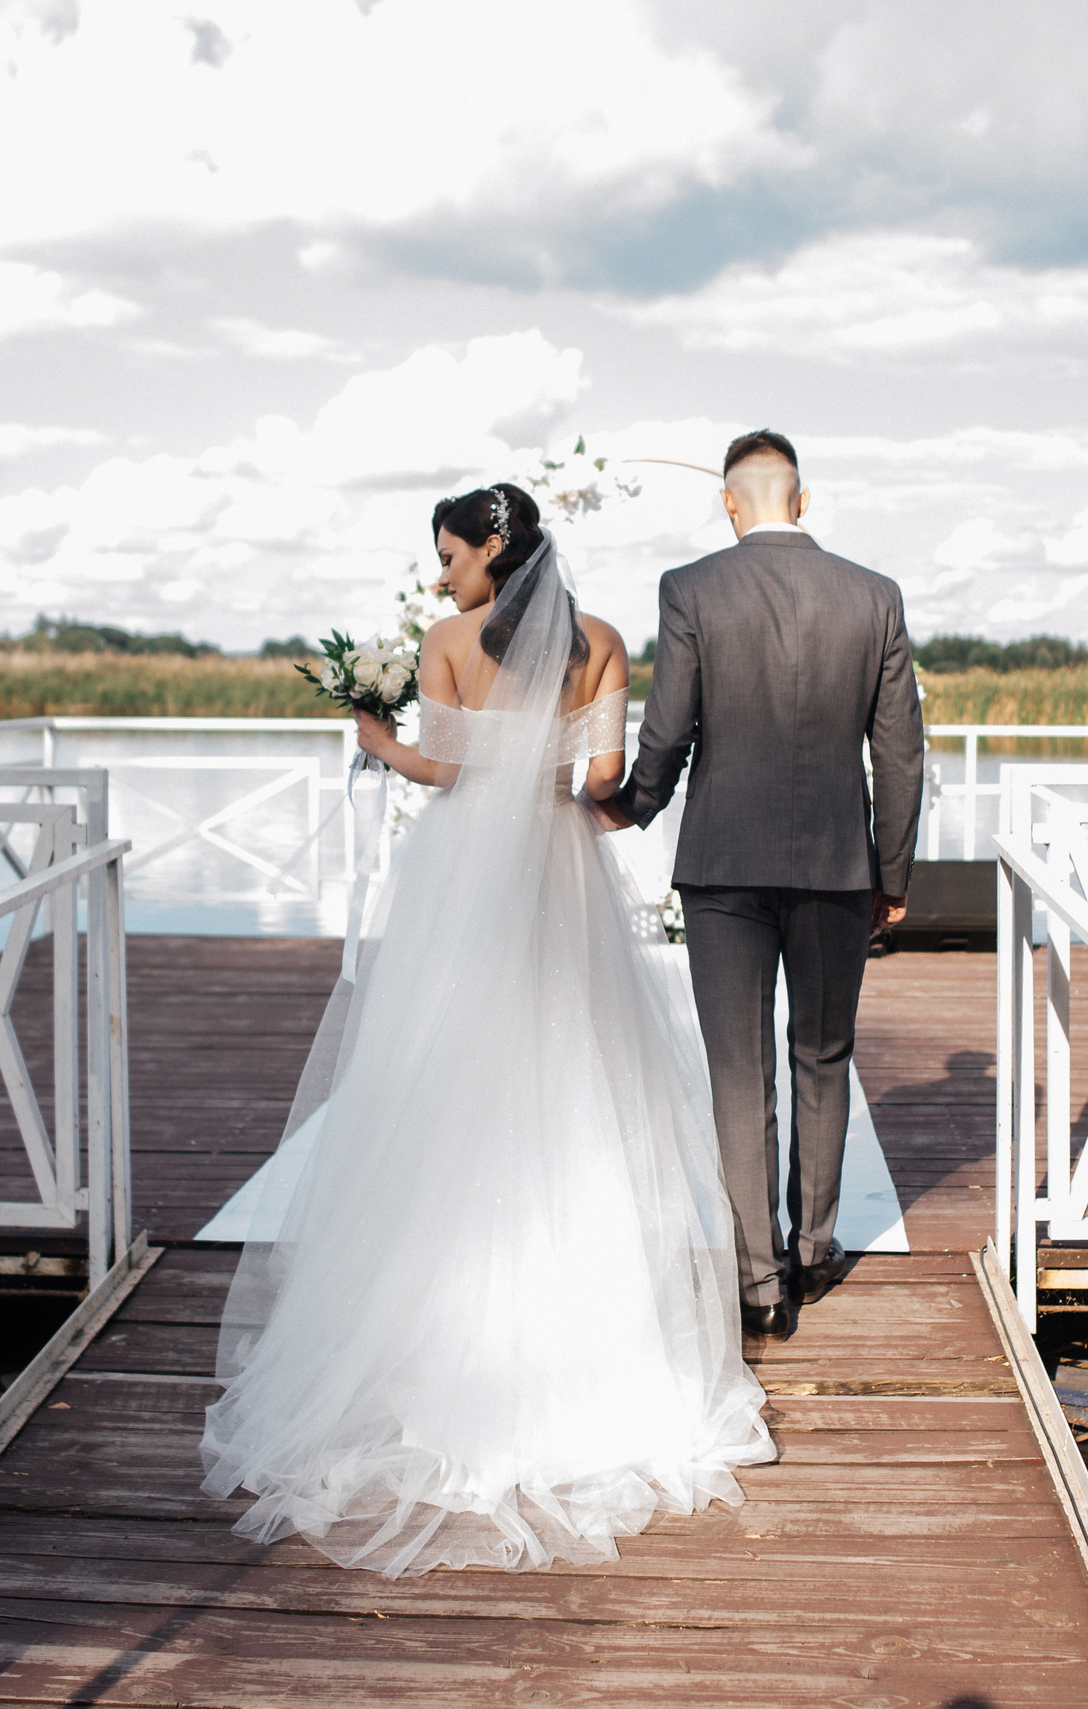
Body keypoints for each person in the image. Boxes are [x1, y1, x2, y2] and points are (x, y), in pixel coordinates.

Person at [199, 483, 773, 1577]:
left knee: (445, 1083)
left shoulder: (444, 644)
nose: (440, 574)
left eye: (449, 553)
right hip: (562, 866)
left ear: (491, 549)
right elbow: (602, 780)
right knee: (575, 1085)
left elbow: (450, 771)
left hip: (465, 873)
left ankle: (431, 1323)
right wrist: (546, 772)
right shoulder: (599, 640)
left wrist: (375, 739)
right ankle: (594, 1345)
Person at [599, 431, 925, 1341]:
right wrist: (889, 871)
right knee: (823, 1052)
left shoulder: (692, 588)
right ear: (803, 498)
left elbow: (667, 729)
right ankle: (816, 1250)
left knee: (738, 1071)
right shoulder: (875, 596)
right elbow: (899, 752)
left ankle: (758, 1279)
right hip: (834, 865)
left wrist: (632, 807)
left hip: (723, 866)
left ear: (732, 504)